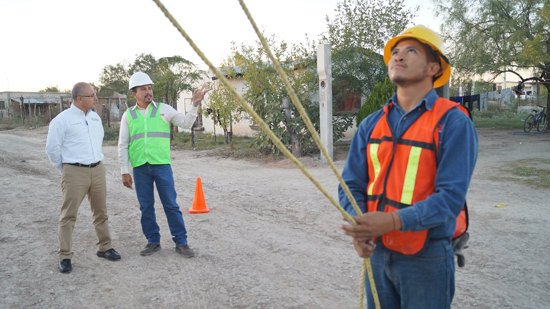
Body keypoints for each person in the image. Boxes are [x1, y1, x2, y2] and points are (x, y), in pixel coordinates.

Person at [338, 25, 478, 308]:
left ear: (433, 67)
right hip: (377, 252)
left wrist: (390, 221)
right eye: (395, 52)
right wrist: (361, 223)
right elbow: (351, 184)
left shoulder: (453, 122)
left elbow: (449, 200)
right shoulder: (371, 124)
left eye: (411, 51)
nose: (398, 57)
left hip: (426, 257)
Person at [118, 72, 210, 258]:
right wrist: (124, 171)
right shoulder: (128, 115)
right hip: (140, 168)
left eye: (149, 88)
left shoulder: (163, 109)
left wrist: (195, 104)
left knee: (171, 205)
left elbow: (185, 124)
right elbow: (122, 144)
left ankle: (181, 242)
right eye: (143, 89)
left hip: (161, 165)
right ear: (134, 93)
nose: (148, 92)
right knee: (146, 206)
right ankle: (153, 241)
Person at [46, 82, 121, 274]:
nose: (96, 98)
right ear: (80, 98)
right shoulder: (62, 120)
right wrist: (65, 170)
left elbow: (98, 143)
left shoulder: (95, 118)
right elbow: (52, 149)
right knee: (68, 215)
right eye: (92, 95)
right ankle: (65, 256)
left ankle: (105, 248)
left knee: (101, 212)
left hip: (97, 169)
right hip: (74, 171)